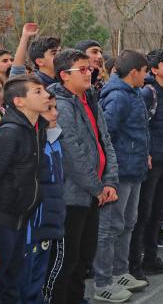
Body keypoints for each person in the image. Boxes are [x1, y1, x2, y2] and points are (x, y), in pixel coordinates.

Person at [47, 49, 119, 304]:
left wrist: (109, 181)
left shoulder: (90, 98)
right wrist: (97, 187)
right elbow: (72, 153)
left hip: (94, 192)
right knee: (68, 259)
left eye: (90, 68)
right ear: (65, 75)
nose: (91, 73)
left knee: (85, 257)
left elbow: (105, 141)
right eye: (83, 69)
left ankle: (77, 299)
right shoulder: (61, 105)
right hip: (73, 195)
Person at [0, 74, 50, 304]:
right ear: (19, 101)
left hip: (19, 222)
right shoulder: (10, 134)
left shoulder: (36, 130)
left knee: (12, 284)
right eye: (37, 91)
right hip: (0, 224)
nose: (46, 95)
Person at [94, 50, 151, 302]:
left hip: (135, 167)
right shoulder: (117, 96)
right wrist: (110, 173)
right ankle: (103, 281)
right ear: (134, 72)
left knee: (128, 222)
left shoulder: (134, 93)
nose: (146, 76)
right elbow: (106, 135)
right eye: (145, 71)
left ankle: (120, 271)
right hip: (120, 171)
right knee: (110, 227)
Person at [129, 49, 163, 281]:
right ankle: (135, 263)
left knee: (158, 213)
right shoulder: (147, 92)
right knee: (144, 213)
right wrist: (147, 153)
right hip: (151, 162)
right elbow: (141, 127)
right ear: (153, 69)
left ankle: (151, 258)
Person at [18, 92, 64, 304]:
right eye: (49, 108)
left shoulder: (54, 138)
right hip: (32, 226)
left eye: (55, 108)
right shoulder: (28, 142)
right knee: (25, 282)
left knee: (39, 279)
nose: (54, 113)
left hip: (49, 221)